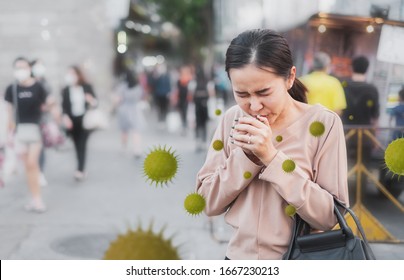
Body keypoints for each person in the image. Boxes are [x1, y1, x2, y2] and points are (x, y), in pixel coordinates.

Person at [195, 29, 349, 259]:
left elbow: (329, 216)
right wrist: (246, 158)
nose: (254, 106)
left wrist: (271, 158)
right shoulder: (232, 119)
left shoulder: (324, 124)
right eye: (242, 94)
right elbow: (207, 202)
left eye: (264, 92)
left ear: (290, 78)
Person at [4, 57, 48, 212]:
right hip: (19, 131)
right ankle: (34, 198)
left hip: (36, 130)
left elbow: (47, 105)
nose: (20, 70)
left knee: (32, 163)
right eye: (17, 67)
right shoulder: (12, 88)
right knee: (27, 168)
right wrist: (8, 133)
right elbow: (9, 112)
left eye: (23, 67)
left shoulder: (39, 87)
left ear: (29, 68)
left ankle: (37, 199)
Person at [61, 65, 97, 181]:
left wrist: (90, 100)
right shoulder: (66, 89)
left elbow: (96, 103)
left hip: (84, 120)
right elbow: (64, 106)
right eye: (69, 74)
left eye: (73, 74)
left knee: (82, 144)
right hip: (72, 121)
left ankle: (80, 169)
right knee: (76, 145)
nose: (70, 76)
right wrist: (65, 117)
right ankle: (80, 167)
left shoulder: (86, 87)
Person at [341, 56, 380, 164]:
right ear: (367, 69)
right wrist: (374, 137)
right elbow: (375, 116)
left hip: (344, 132)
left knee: (341, 165)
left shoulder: (343, 86)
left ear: (352, 68)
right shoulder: (372, 89)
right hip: (365, 134)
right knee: (363, 167)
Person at [113, 69, 144, 158]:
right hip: (134, 109)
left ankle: (124, 147)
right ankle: (137, 149)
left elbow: (118, 99)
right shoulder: (138, 86)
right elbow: (140, 97)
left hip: (124, 109)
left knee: (124, 131)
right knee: (136, 130)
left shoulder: (123, 86)